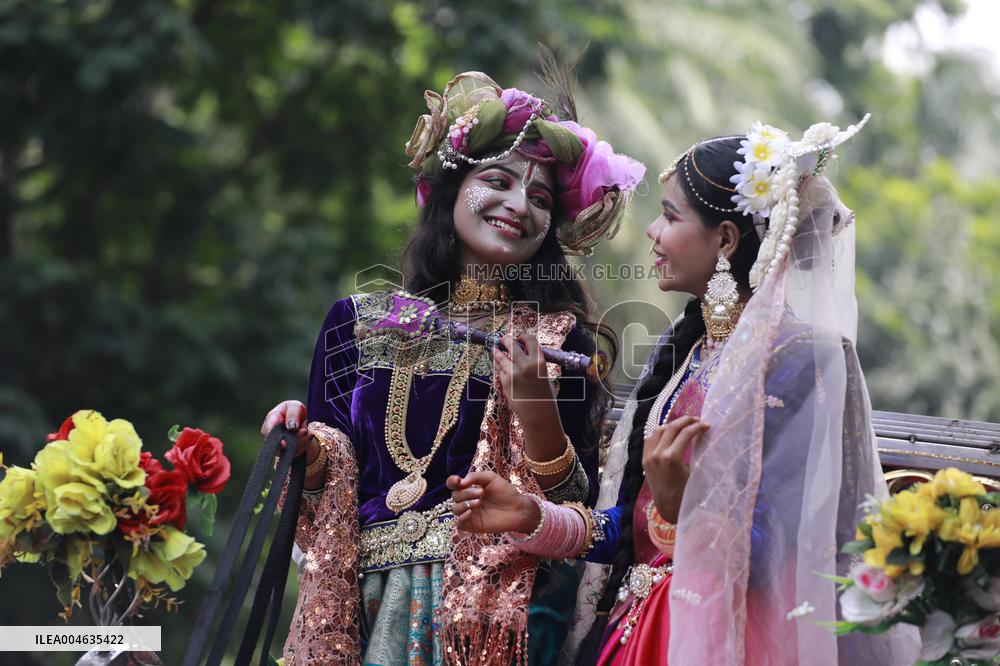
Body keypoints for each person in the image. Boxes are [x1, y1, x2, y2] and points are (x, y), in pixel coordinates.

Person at [449, 116, 919, 664]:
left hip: (727, 637)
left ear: (725, 241)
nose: (652, 231)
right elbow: (632, 526)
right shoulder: (687, 354)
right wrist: (532, 517)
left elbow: (794, 550)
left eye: (670, 216)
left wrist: (683, 510)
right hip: (643, 627)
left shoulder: (801, 358)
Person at [260, 67, 645, 665]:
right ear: (450, 188)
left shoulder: (559, 341)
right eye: (498, 180)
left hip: (493, 615)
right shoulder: (356, 323)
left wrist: (537, 413)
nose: (519, 205)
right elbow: (321, 493)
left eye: (541, 199)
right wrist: (305, 448)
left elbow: (579, 515)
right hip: (361, 608)